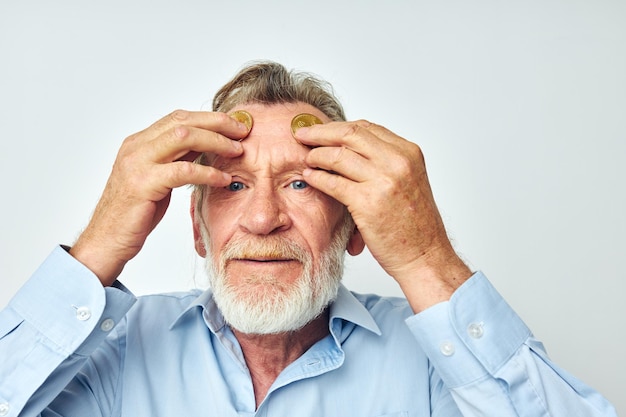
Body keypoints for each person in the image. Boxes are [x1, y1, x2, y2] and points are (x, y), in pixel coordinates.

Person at [0, 61, 616, 417]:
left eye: (299, 183)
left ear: (354, 228)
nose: (264, 219)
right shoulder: (122, 352)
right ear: (196, 230)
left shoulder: (435, 365)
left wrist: (428, 260)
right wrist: (98, 251)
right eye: (234, 186)